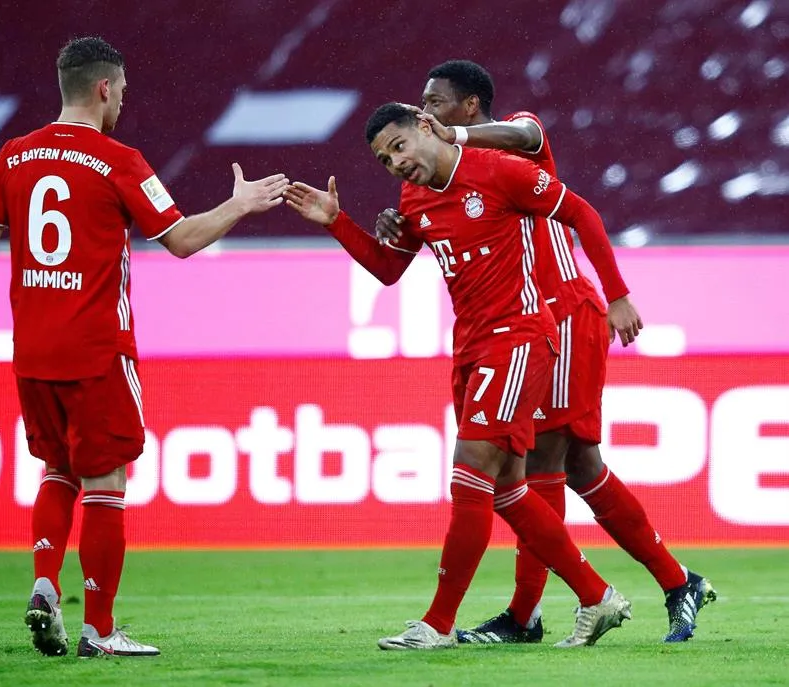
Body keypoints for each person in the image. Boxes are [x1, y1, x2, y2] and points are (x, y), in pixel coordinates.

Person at [0, 36, 288, 658]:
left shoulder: (14, 157)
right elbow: (180, 239)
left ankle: (45, 582)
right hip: (98, 349)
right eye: (122, 92)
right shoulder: (119, 159)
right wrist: (237, 206)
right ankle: (98, 629)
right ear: (104, 88)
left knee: (56, 471)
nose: (123, 102)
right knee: (106, 480)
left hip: (34, 352)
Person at [376, 60, 716, 644]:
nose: (424, 112)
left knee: (542, 466)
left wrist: (616, 295)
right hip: (532, 324)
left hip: (559, 315)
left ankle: (530, 612)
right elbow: (406, 249)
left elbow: (530, 139)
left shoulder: (516, 135)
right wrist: (400, 226)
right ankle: (667, 580)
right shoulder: (444, 178)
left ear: (469, 106)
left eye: (434, 103)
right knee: (567, 466)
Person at [285, 102, 633, 650]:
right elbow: (388, 267)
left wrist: (616, 295)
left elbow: (582, 214)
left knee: (469, 472)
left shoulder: (500, 168)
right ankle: (596, 597)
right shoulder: (414, 198)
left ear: (426, 128)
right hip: (470, 347)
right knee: (505, 489)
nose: (396, 164)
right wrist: (335, 222)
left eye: (399, 147)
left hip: (519, 336)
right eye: (384, 160)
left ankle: (439, 624)